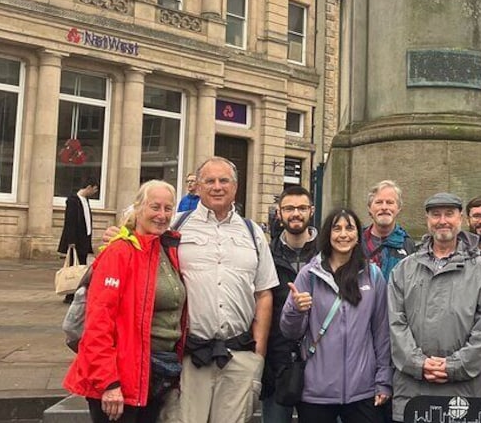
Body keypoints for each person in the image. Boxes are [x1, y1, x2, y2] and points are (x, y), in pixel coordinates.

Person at [161, 157, 278, 423]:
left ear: (235, 187)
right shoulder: (175, 227)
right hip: (190, 358)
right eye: (209, 181)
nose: (217, 187)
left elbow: (264, 294)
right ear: (197, 187)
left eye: (224, 180)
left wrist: (257, 356)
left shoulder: (253, 233)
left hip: (239, 357)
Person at [63, 180, 186, 423]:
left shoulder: (167, 249)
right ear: (138, 208)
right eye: (155, 207)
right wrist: (109, 382)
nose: (161, 215)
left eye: (168, 208)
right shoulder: (120, 251)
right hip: (121, 376)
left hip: (157, 372)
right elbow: (98, 322)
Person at [388, 192, 481, 422]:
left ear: (461, 219)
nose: (442, 220)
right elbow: (396, 323)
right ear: (428, 220)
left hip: (461, 390)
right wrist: (419, 363)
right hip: (413, 388)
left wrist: (453, 366)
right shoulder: (404, 269)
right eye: (436, 215)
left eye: (449, 214)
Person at [281, 208, 392, 423]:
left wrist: (383, 380)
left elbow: (381, 332)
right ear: (327, 235)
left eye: (349, 228)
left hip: (363, 390)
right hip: (317, 392)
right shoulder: (310, 274)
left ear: (358, 235)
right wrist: (295, 309)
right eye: (337, 228)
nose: (343, 234)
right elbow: (290, 331)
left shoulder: (373, 276)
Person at [262, 185, 319, 423]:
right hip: (278, 360)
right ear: (279, 213)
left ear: (312, 211)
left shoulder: (328, 253)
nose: (296, 213)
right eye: (289, 208)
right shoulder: (265, 253)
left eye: (302, 208)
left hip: (320, 361)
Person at [361, 180, 415, 281]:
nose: (384, 207)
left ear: (398, 208)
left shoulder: (407, 245)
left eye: (390, 203)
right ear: (369, 208)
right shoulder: (357, 242)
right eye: (379, 202)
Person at [57, 177, 100, 269]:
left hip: (85, 238)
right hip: (76, 240)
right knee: (74, 265)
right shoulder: (73, 201)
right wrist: (71, 241)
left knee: (82, 265)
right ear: (89, 187)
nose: (94, 192)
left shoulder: (86, 200)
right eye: (94, 189)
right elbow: (70, 221)